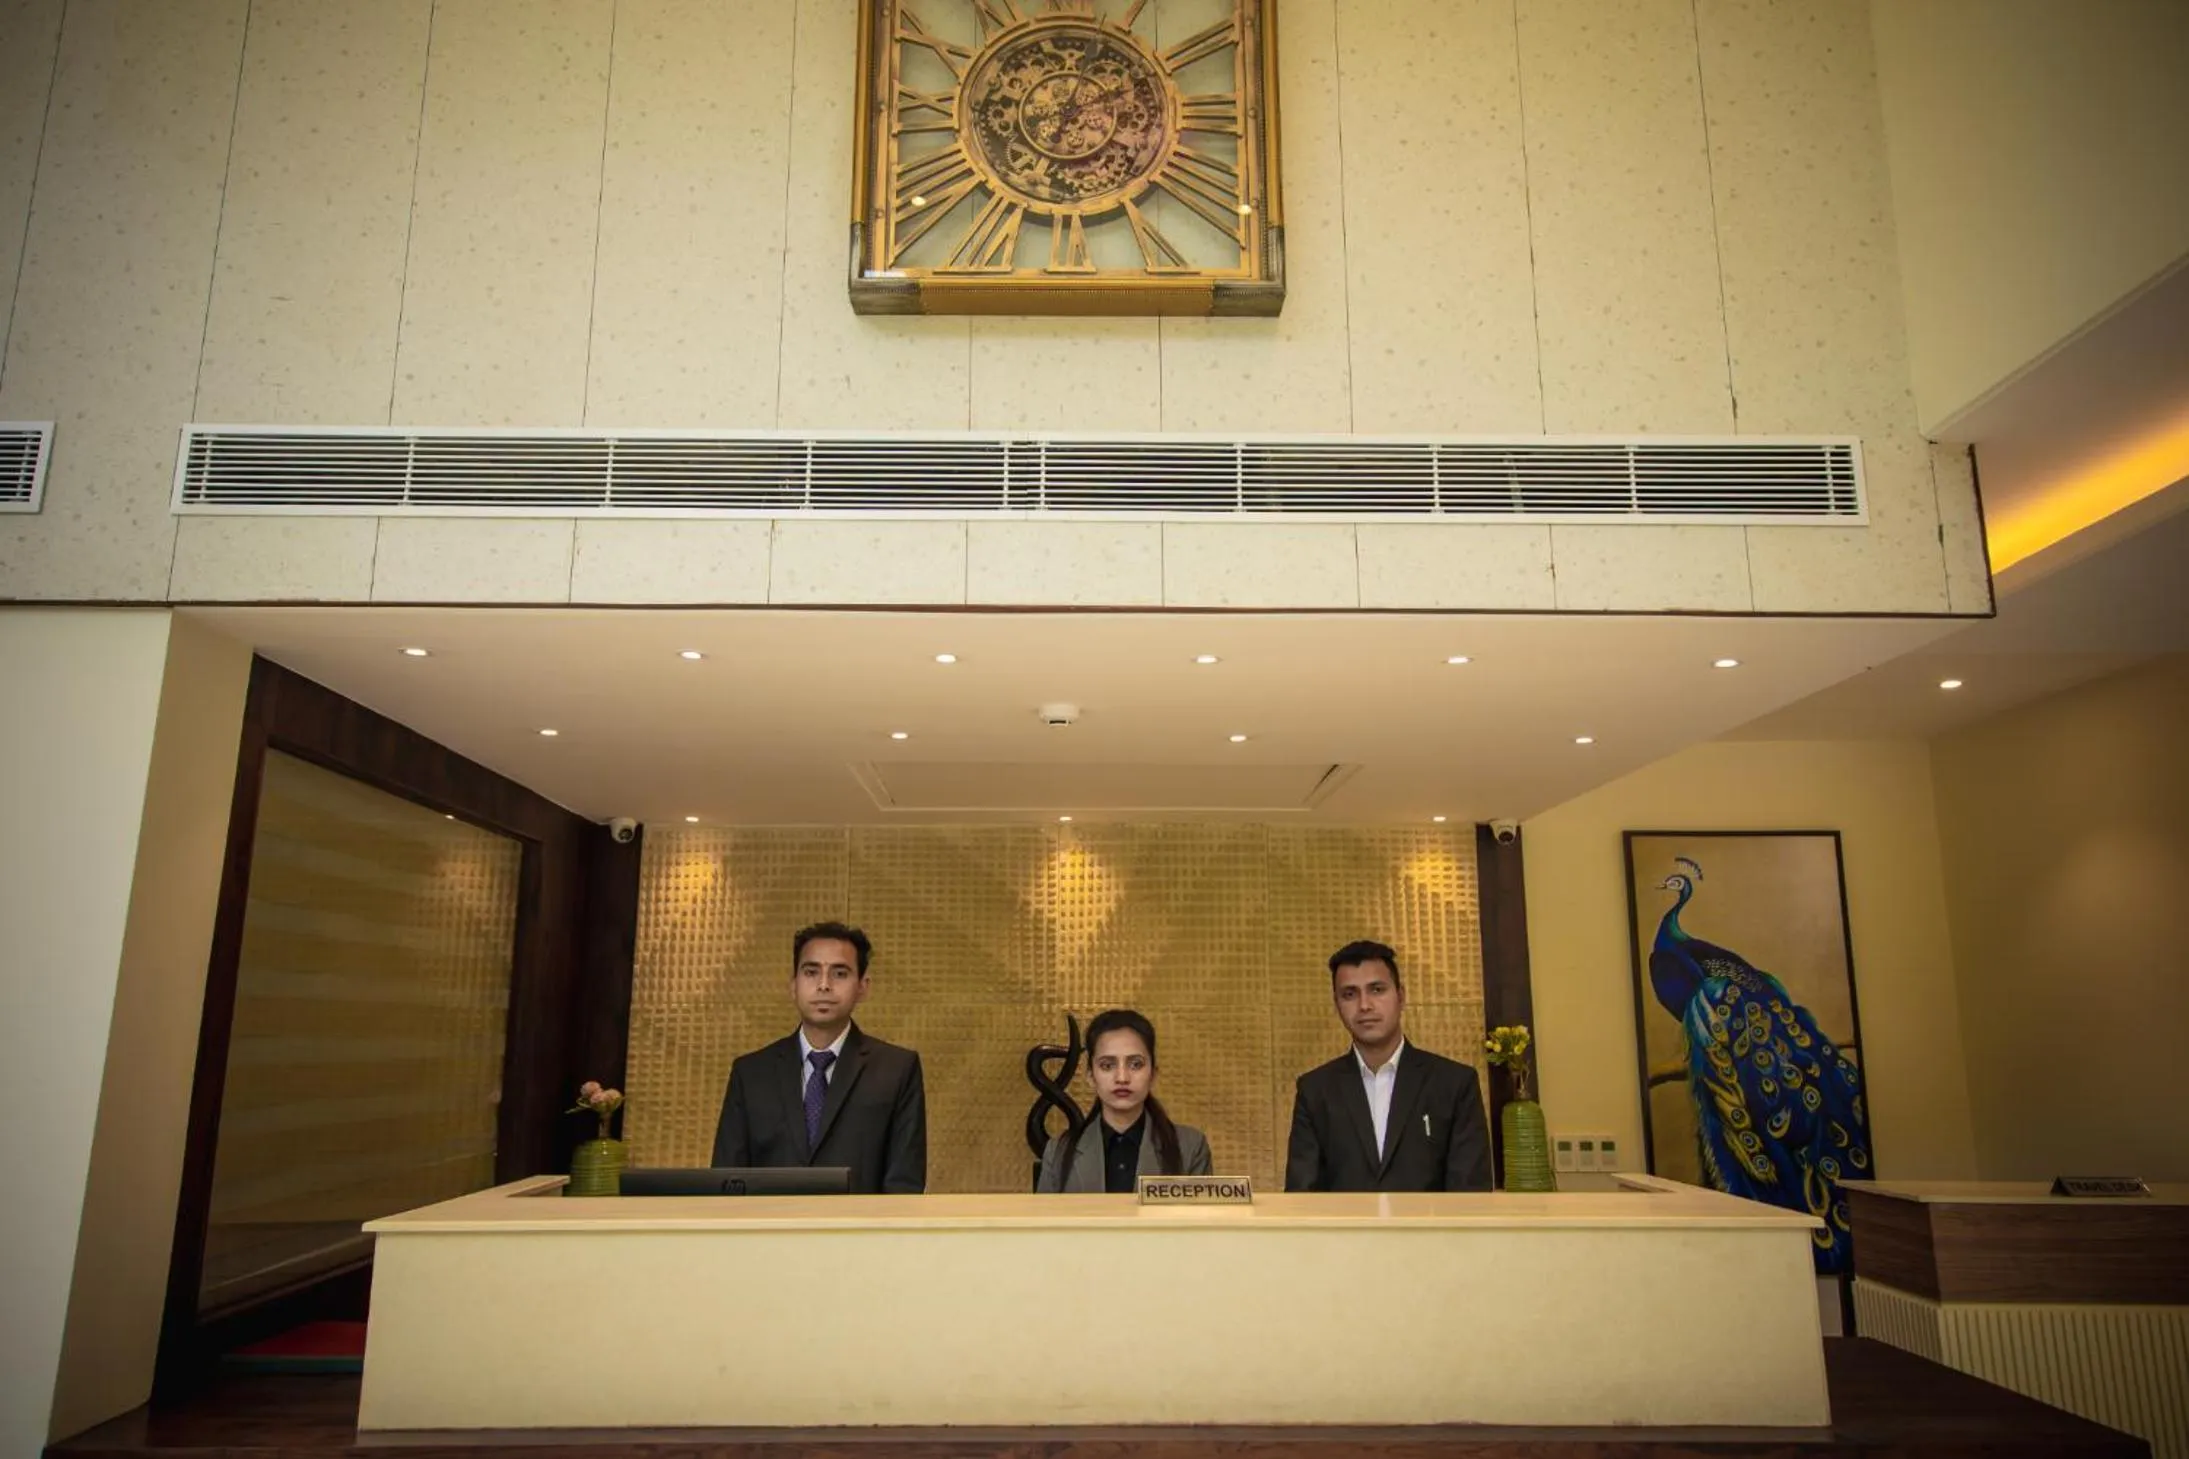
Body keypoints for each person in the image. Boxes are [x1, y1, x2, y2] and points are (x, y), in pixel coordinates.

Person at [710, 921, 927, 1193]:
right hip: (771, 1221)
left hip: (859, 1222)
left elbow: (904, 1185)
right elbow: (725, 1183)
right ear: (793, 985)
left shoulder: (897, 1070)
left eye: (840, 973)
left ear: (863, 987)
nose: (824, 985)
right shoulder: (751, 1074)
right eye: (811, 972)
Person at [1284, 939, 1492, 1192]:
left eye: (1377, 990)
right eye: (1350, 994)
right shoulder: (1315, 1090)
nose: (1364, 1005)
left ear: (1400, 996)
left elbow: (1471, 1192)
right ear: (1337, 1004)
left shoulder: (1454, 1083)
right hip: (1344, 1220)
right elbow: (1301, 1194)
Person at [1037, 1008, 1212, 1193]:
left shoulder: (1190, 1147)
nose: (1122, 1077)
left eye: (1136, 1064)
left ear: (1153, 1074)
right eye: (1107, 1065)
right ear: (1090, 1076)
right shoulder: (1058, 1152)